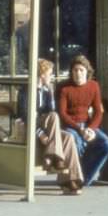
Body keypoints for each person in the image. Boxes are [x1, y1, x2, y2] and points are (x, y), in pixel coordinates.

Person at [18, 58, 84, 194]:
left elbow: (51, 110)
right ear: (41, 74)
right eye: (49, 73)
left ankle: (70, 180)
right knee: (54, 117)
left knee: (69, 137)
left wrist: (50, 91)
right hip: (30, 128)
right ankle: (55, 158)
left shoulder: (46, 90)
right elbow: (24, 115)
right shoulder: (25, 90)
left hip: (48, 128)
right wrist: (40, 133)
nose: (51, 76)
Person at [58, 55, 108, 187]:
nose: (78, 73)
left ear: (87, 72)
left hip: (88, 126)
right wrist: (79, 129)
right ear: (71, 72)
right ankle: (73, 178)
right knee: (76, 141)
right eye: (75, 70)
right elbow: (62, 113)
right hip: (71, 126)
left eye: (81, 70)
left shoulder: (93, 86)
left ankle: (84, 180)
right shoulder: (64, 88)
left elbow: (98, 111)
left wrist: (91, 129)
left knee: (107, 145)